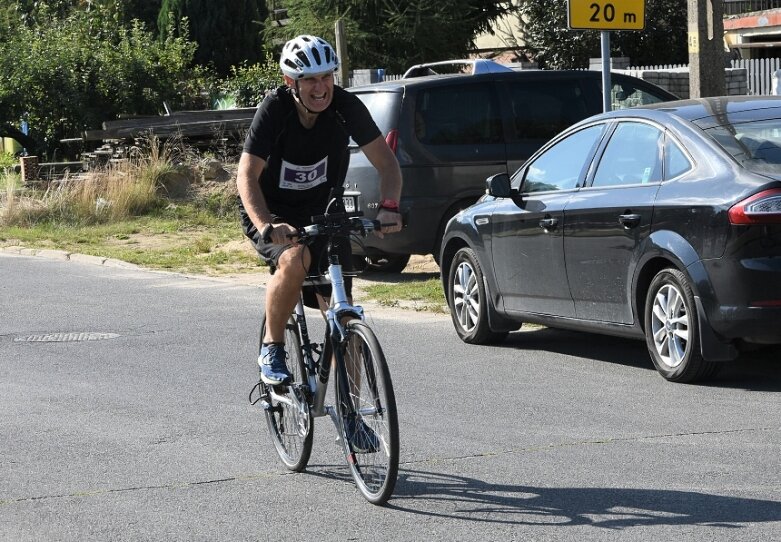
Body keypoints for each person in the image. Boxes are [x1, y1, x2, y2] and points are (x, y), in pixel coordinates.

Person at [236, 35, 403, 387]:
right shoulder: (274, 110)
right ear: (290, 82)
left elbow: (387, 165)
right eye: (311, 79)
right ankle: (273, 347)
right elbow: (246, 176)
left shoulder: (345, 107)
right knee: (295, 260)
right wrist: (266, 224)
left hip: (325, 210)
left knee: (341, 310)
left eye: (327, 77)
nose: (320, 87)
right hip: (272, 210)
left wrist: (389, 207)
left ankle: (353, 409)